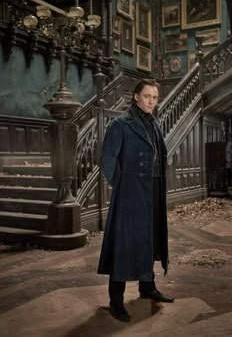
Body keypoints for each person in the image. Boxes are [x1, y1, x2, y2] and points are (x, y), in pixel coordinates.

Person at [97, 79, 174, 323]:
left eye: (155, 97)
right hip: (130, 195)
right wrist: (122, 186)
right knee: (123, 245)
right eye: (147, 96)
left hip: (153, 191)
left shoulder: (154, 123)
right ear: (136, 97)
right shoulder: (121, 124)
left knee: (150, 239)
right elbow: (107, 160)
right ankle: (116, 301)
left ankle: (147, 287)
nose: (151, 101)